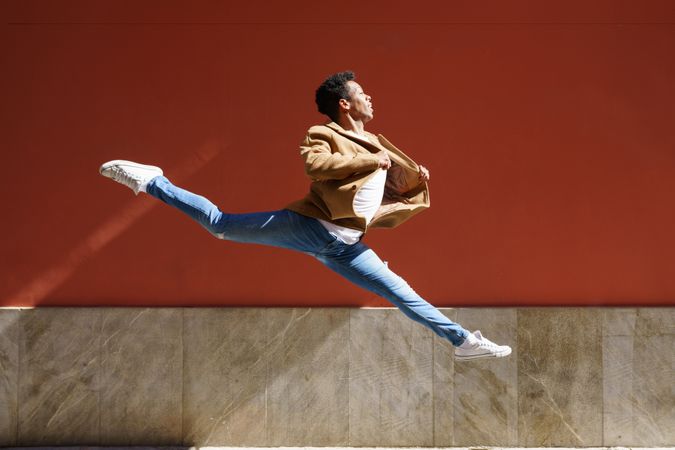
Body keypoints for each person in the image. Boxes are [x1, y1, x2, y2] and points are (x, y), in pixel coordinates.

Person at [99, 71, 511, 360]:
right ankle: (154, 182)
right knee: (221, 226)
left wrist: (412, 180)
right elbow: (317, 167)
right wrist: (374, 163)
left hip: (347, 245)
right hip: (311, 227)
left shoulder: (374, 142)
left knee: (400, 293)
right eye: (363, 92)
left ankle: (462, 343)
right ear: (344, 102)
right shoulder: (324, 134)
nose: (371, 98)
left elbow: (372, 196)